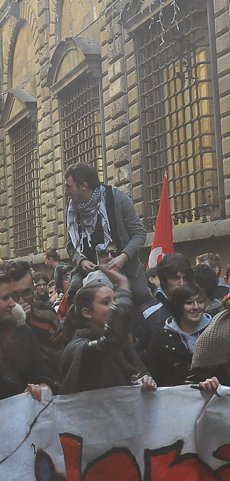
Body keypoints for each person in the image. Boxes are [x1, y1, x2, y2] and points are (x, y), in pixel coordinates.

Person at [60, 269, 157, 394]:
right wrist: (124, 289)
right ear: (87, 312)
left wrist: (143, 381)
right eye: (106, 302)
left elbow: (139, 371)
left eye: (115, 300)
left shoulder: (124, 343)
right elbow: (108, 343)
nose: (114, 306)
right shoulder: (78, 347)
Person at [64, 162, 148, 304]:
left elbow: (139, 233)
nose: (66, 191)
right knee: (74, 293)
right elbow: (70, 245)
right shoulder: (71, 211)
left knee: (142, 295)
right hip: (89, 270)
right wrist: (81, 261)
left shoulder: (117, 199)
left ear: (83, 186)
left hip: (125, 266)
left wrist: (123, 257)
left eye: (68, 186)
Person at [0, 268, 54, 388]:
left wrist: (43, 385)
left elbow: (40, 372)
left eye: (12, 296)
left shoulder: (22, 332)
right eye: (5, 298)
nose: (12, 303)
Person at [142, 284, 211, 386]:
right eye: (189, 303)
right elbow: (154, 377)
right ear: (178, 306)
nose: (196, 307)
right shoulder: (160, 339)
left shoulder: (216, 332)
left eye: (200, 302)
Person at [130, 253, 192, 355]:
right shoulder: (146, 313)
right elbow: (136, 354)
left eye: (185, 278)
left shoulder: (197, 307)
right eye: (175, 278)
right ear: (163, 280)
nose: (181, 283)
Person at [3, 260, 63, 356]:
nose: (21, 301)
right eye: (14, 295)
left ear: (34, 290)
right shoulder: (0, 316)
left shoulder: (47, 314)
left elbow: (58, 353)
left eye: (26, 292)